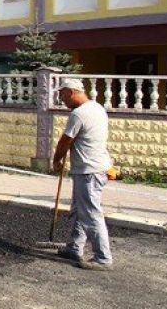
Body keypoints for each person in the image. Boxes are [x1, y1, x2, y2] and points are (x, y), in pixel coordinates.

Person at [52, 78, 114, 271]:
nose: (61, 99)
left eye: (62, 94)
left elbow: (65, 140)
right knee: (80, 210)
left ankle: (103, 258)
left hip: (89, 171)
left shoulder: (78, 114)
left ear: (71, 92)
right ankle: (74, 248)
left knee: (91, 214)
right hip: (95, 168)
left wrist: (57, 159)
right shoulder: (97, 108)